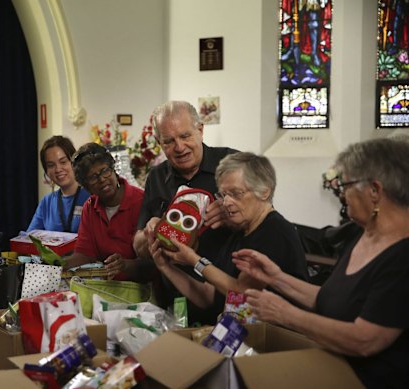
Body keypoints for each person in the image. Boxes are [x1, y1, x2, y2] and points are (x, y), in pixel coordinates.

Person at [232, 138, 409, 388]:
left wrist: (286, 314)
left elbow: (365, 340)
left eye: (346, 185)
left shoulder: (402, 255)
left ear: (375, 191)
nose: (342, 194)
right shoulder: (363, 234)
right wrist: (276, 277)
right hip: (334, 369)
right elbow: (334, 298)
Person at [149, 152, 309, 318]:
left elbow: (242, 293)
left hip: (277, 336)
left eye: (236, 193)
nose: (226, 203)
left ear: (264, 191)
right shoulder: (240, 230)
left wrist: (194, 260)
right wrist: (165, 266)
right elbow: (208, 296)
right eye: (224, 195)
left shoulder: (274, 232)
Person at [132, 100, 237, 322]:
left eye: (185, 136)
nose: (179, 147)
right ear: (159, 143)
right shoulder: (157, 178)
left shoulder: (233, 164)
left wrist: (234, 216)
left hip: (232, 302)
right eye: (169, 141)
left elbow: (264, 221)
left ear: (200, 130)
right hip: (176, 304)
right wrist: (150, 230)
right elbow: (139, 248)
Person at [62, 142, 153, 281]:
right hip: (106, 289)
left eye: (105, 171)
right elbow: (85, 254)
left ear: (113, 170)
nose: (102, 179)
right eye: (93, 177)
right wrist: (58, 264)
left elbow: (153, 264)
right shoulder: (90, 207)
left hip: (142, 290)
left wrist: (125, 265)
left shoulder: (141, 201)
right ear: (86, 186)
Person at [27, 136, 90, 233]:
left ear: (74, 162)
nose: (58, 169)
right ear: (46, 171)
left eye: (63, 162)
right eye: (51, 165)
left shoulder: (92, 197)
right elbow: (30, 238)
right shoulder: (46, 203)